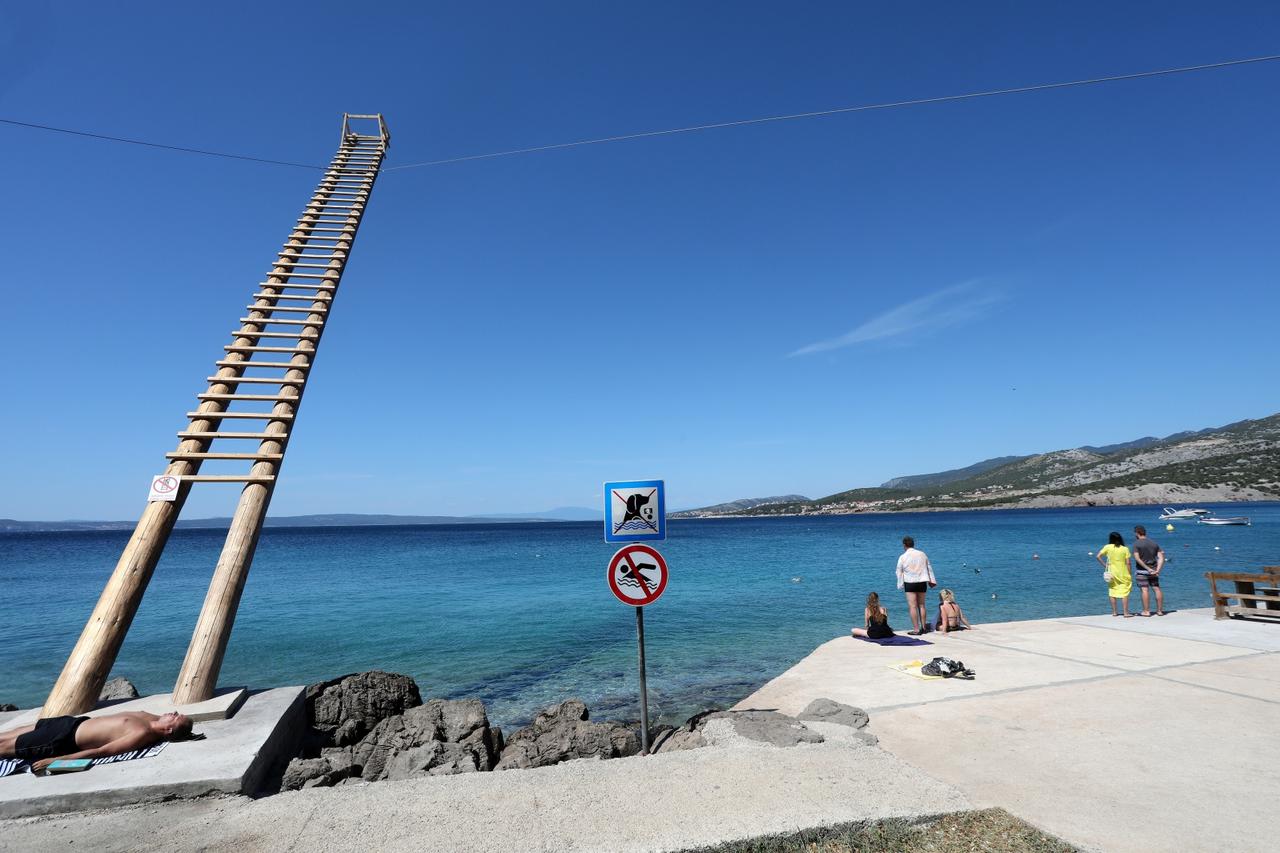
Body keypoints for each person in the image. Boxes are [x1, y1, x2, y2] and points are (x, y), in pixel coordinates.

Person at [0, 710, 194, 773]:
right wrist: (188, 734)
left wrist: (58, 761)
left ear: (168, 730)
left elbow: (103, 751)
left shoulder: (142, 733)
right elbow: (183, 733)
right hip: (71, 722)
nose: (174, 712)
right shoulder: (151, 718)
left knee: (3, 747)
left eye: (176, 717)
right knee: (5, 735)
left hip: (62, 739)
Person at [896, 535, 937, 635]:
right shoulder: (922, 554)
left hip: (910, 582)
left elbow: (899, 571)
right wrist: (931, 580)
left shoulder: (903, 556)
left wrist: (900, 583)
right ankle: (923, 627)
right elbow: (929, 568)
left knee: (912, 606)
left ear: (904, 545)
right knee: (922, 605)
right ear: (913, 544)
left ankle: (916, 629)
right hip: (922, 581)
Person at [1095, 531, 1133, 617]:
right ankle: (1126, 613)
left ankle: (1114, 612)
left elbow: (1098, 556)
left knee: (1112, 591)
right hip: (1123, 572)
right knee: (1124, 592)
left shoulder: (1107, 547)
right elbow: (1128, 563)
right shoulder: (1125, 549)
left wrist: (1105, 565)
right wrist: (1129, 573)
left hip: (1111, 572)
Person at [1132, 524, 1166, 616]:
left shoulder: (1136, 544)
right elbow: (1161, 557)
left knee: (1145, 590)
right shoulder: (1154, 543)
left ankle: (1146, 611)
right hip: (1154, 571)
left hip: (1142, 571)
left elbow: (1137, 559)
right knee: (1156, 589)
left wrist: (1148, 569)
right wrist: (1158, 570)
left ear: (1137, 533)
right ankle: (1159, 611)